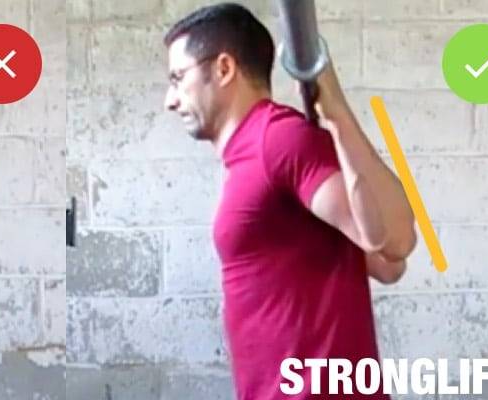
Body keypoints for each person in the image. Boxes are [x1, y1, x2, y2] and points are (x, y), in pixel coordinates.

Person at [161, 3, 418, 399]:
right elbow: (386, 266)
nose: (170, 100)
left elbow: (396, 244)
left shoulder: (277, 139)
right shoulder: (253, 154)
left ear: (224, 68)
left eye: (178, 79)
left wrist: (335, 112)